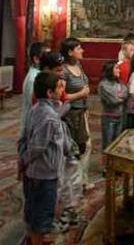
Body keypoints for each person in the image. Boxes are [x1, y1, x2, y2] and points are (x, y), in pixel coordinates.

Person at [18, 71, 70, 245]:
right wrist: (23, 162)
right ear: (49, 92)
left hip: (38, 173)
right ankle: (36, 240)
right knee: (41, 216)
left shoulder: (37, 109)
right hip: (43, 175)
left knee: (36, 211)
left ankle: (35, 238)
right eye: (59, 87)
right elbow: (37, 147)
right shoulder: (49, 117)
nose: (62, 89)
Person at [38, 51, 82, 230]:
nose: (61, 73)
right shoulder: (42, 88)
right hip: (49, 146)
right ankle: (52, 218)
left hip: (61, 137)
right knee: (56, 181)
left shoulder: (55, 84)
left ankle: (67, 209)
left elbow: (64, 102)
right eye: (58, 69)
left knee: (68, 175)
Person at [61, 37, 93, 191]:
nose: (82, 50)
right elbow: (63, 96)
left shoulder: (78, 65)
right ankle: (75, 182)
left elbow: (84, 84)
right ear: (70, 52)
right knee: (77, 148)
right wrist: (81, 93)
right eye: (79, 48)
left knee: (85, 146)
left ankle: (81, 180)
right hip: (71, 114)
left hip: (82, 111)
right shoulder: (64, 71)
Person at [98, 61, 128, 150]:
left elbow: (126, 93)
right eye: (117, 68)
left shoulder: (119, 83)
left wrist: (120, 95)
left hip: (120, 116)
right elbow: (114, 100)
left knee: (117, 143)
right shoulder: (103, 85)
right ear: (110, 70)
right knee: (108, 144)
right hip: (109, 118)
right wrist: (120, 96)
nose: (119, 70)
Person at [21, 42, 49, 130]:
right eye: (47, 56)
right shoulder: (33, 78)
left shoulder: (40, 75)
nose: (50, 59)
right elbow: (36, 106)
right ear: (36, 59)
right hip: (34, 124)